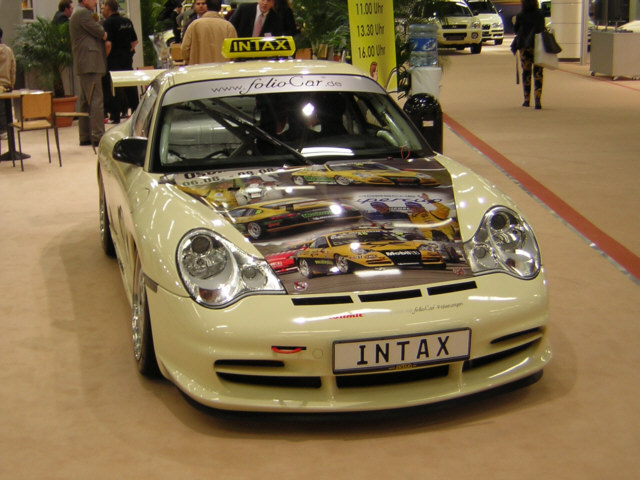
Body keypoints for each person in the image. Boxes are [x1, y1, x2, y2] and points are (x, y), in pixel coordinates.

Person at [69, 0, 108, 147]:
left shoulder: (78, 13)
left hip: (84, 63)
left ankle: (85, 135)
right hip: (90, 62)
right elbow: (101, 33)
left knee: (86, 101)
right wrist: (103, 31)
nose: (96, 2)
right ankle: (98, 135)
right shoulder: (83, 13)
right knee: (96, 100)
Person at [101, 0, 139, 124]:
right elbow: (135, 42)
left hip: (114, 59)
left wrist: (105, 57)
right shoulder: (127, 21)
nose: (102, 10)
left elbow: (108, 44)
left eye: (103, 7)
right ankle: (136, 111)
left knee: (113, 88)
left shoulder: (108, 23)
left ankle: (115, 116)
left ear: (108, 8)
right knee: (130, 85)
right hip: (127, 58)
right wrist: (128, 51)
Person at [512, 0, 546, 109]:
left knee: (526, 72)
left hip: (524, 47)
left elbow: (516, 30)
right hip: (537, 47)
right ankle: (538, 100)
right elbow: (542, 28)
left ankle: (526, 100)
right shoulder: (540, 14)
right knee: (538, 73)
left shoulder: (520, 15)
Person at [181, 0, 237, 65]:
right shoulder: (228, 26)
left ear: (207, 7)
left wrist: (189, 60)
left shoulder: (194, 25)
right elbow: (234, 50)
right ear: (220, 9)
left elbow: (185, 49)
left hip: (198, 68)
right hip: (223, 68)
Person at [0, 27, 16, 139]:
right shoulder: (8, 51)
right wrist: (12, 84)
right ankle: (6, 130)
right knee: (6, 110)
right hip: (6, 86)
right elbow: (13, 69)